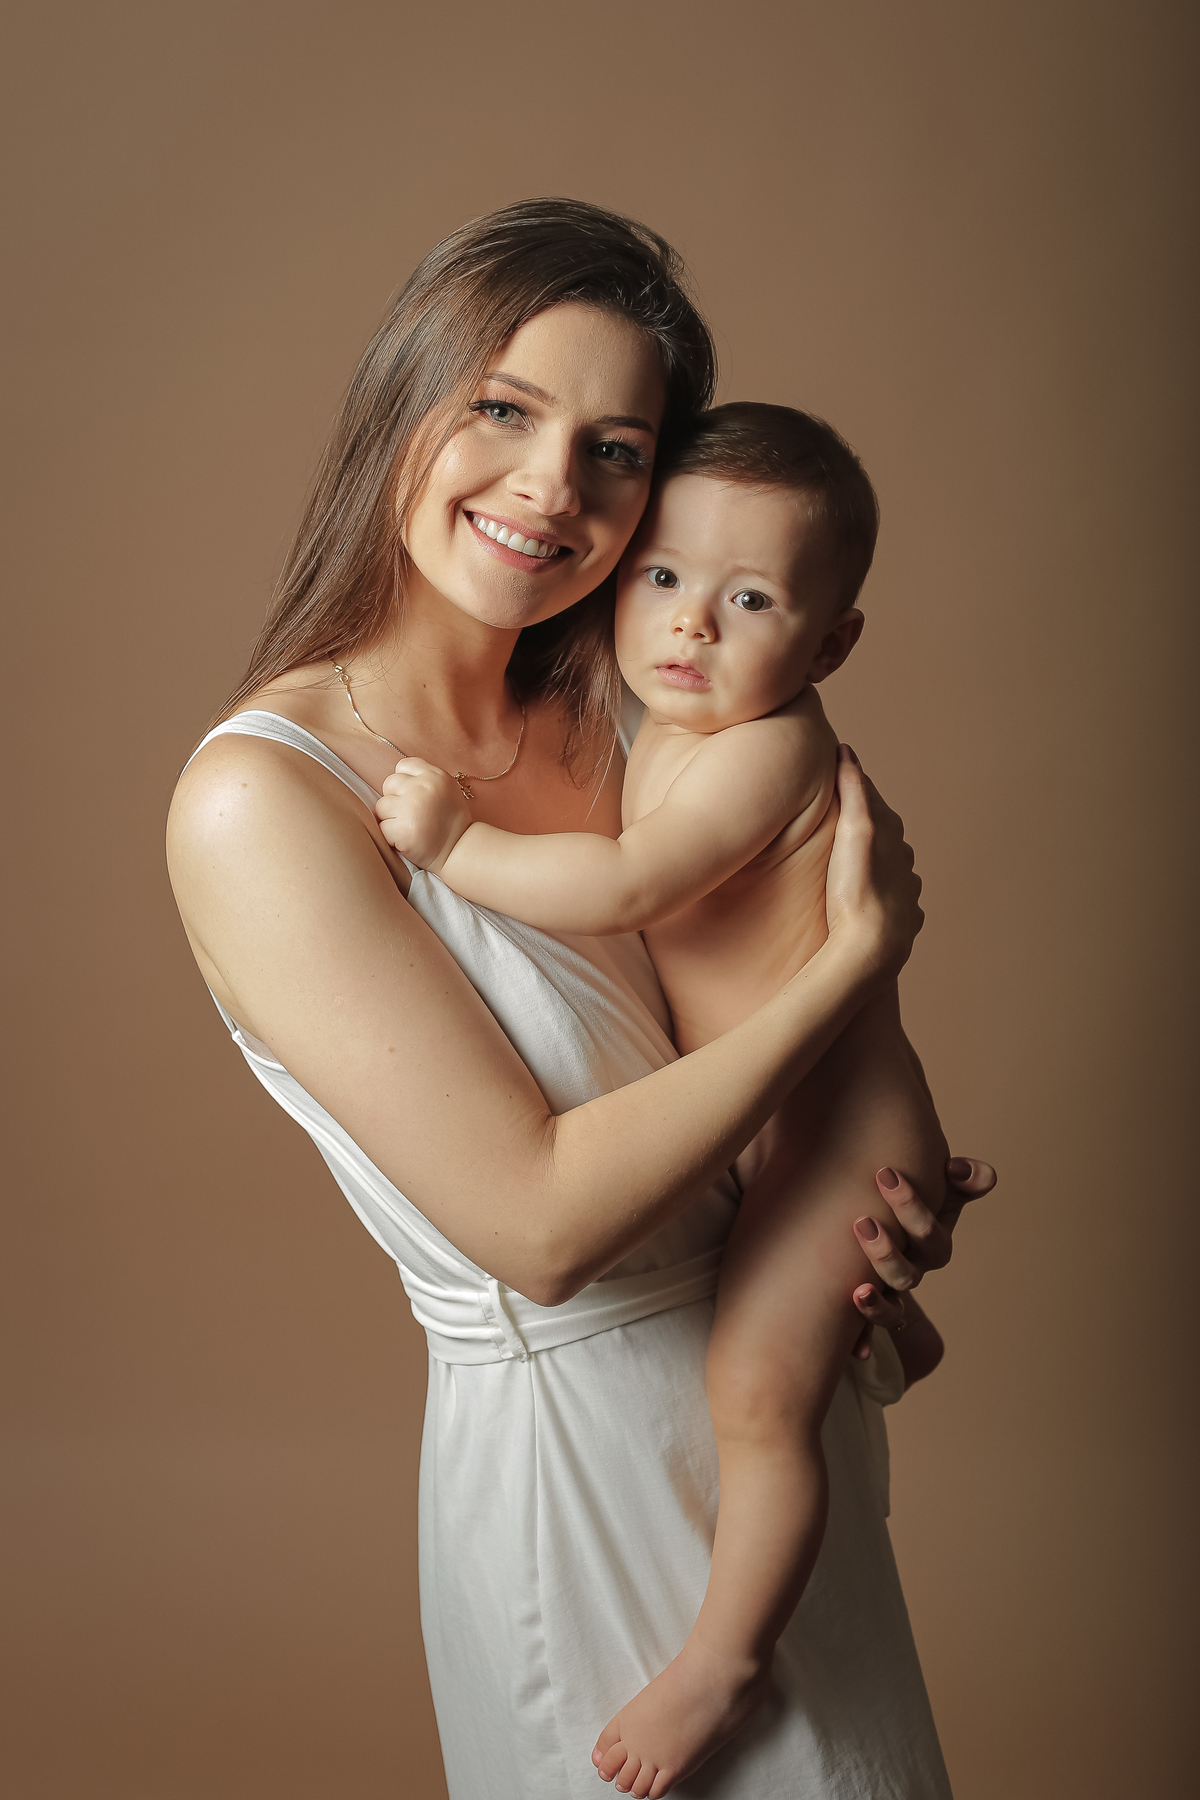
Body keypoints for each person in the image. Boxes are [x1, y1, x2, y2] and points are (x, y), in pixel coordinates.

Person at [167, 199, 995, 1799]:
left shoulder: (635, 710)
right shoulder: (262, 800)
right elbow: (542, 1231)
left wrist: (863, 1233)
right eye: (502, 408)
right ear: (404, 403)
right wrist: (851, 970)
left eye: (615, 450)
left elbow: (728, 1049)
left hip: (785, 1464)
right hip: (590, 1490)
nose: (553, 489)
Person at [375, 398, 951, 1796]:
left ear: (830, 645)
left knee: (755, 1395)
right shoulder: (658, 711)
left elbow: (631, 885)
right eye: (665, 578)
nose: (689, 622)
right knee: (786, 1345)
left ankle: (724, 1661)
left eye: (748, 600)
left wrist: (454, 848)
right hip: (774, 1119)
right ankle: (884, 1342)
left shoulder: (766, 749)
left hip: (832, 1130)